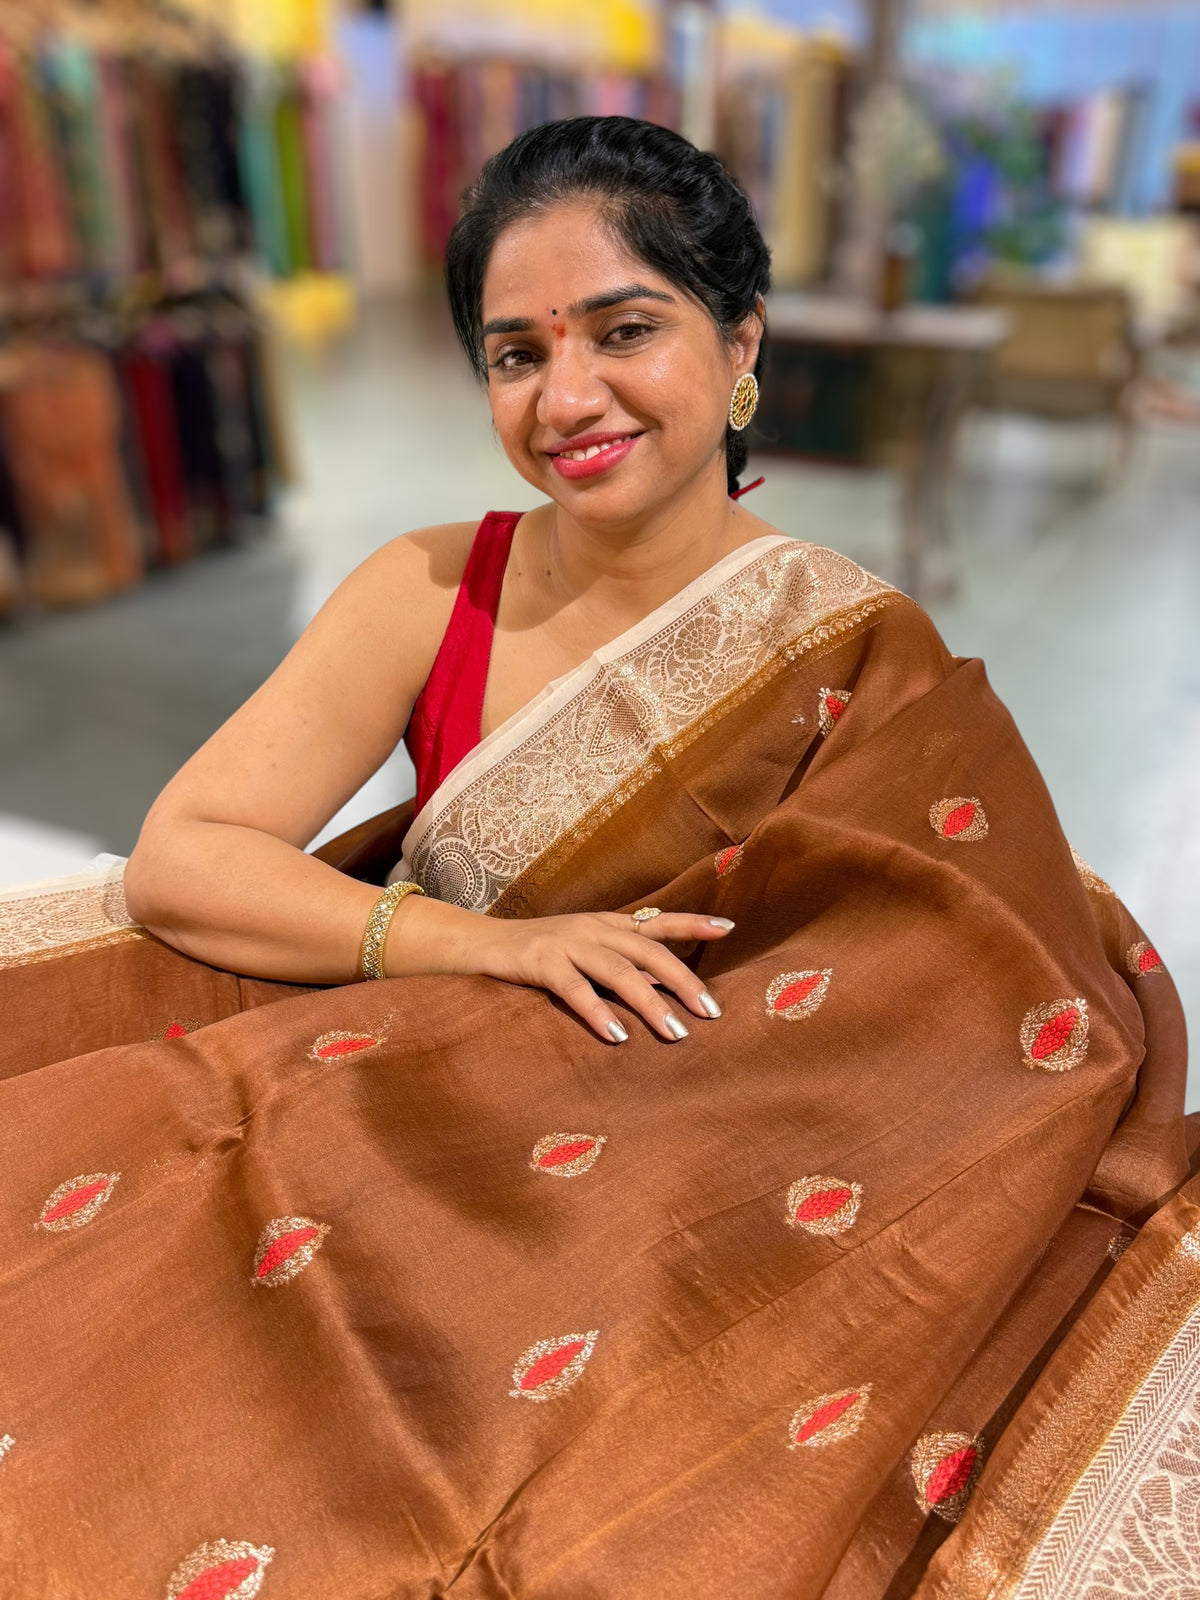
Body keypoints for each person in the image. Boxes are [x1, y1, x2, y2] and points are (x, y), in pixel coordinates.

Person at [0, 117, 1193, 1600]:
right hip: (402, 1105)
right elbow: (187, 855)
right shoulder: (435, 585)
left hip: (680, 1179)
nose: (567, 398)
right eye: (517, 353)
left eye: (626, 330)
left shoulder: (850, 647)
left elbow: (946, 997)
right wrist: (485, 946)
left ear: (739, 340)